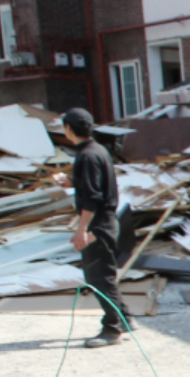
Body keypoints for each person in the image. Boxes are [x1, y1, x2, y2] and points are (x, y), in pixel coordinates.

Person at [62, 108, 130, 348]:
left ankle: (112, 329)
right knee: (105, 275)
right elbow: (93, 183)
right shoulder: (98, 150)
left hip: (97, 224)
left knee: (99, 277)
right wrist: (71, 181)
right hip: (106, 221)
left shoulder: (87, 156)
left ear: (68, 129)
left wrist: (81, 229)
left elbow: (92, 197)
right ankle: (125, 319)